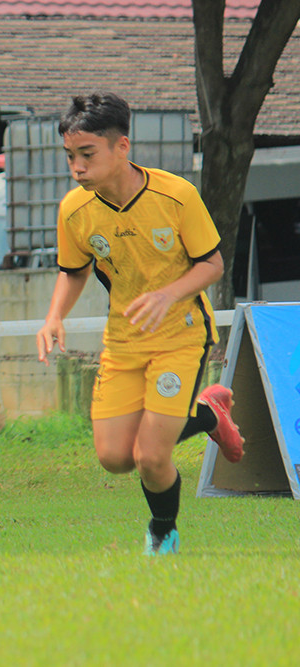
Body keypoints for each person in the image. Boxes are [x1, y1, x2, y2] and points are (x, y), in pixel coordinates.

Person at [36, 93, 244, 556]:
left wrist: (168, 294)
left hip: (180, 336)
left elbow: (212, 264)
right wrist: (53, 318)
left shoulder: (176, 195)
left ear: (122, 147)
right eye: (70, 156)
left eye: (87, 155)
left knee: (150, 456)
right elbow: (73, 271)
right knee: (114, 458)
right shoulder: (74, 210)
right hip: (124, 341)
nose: (77, 168)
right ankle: (209, 412)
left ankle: (163, 532)